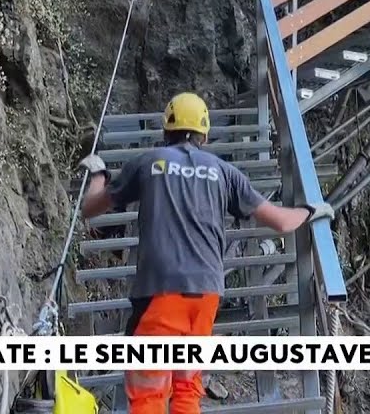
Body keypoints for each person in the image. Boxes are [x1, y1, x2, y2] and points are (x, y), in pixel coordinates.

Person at [78, 92, 335, 414]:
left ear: (166, 130)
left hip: (160, 291)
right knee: (187, 389)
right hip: (205, 295)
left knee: (148, 393)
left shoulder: (148, 162)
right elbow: (282, 222)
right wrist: (311, 211)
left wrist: (99, 174)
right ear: (205, 134)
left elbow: (90, 208)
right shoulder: (224, 172)